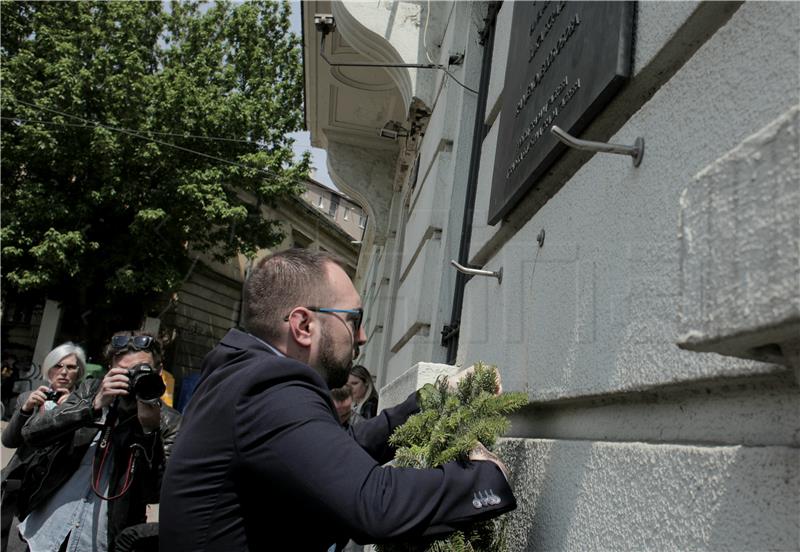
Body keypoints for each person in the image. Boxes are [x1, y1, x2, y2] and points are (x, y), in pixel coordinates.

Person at [159, 248, 515, 551]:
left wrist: (435, 399)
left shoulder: (241, 375)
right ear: (303, 325)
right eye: (352, 319)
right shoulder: (267, 386)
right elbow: (374, 504)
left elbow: (341, 449)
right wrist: (484, 476)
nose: (361, 337)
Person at [12, 331, 182, 552]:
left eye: (141, 371)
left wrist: (149, 432)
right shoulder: (90, 391)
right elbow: (32, 435)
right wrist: (92, 407)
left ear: (158, 372)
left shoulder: (169, 421)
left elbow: (155, 493)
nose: (132, 379)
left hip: (99, 542)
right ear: (110, 369)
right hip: (47, 532)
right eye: (123, 372)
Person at [1, 343, 86, 552]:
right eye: (58, 366)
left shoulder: (83, 406)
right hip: (17, 485)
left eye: (71, 367)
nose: (64, 372)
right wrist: (25, 409)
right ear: (48, 369)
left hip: (51, 491)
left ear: (80, 372)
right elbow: (9, 441)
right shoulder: (29, 397)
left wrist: (70, 411)